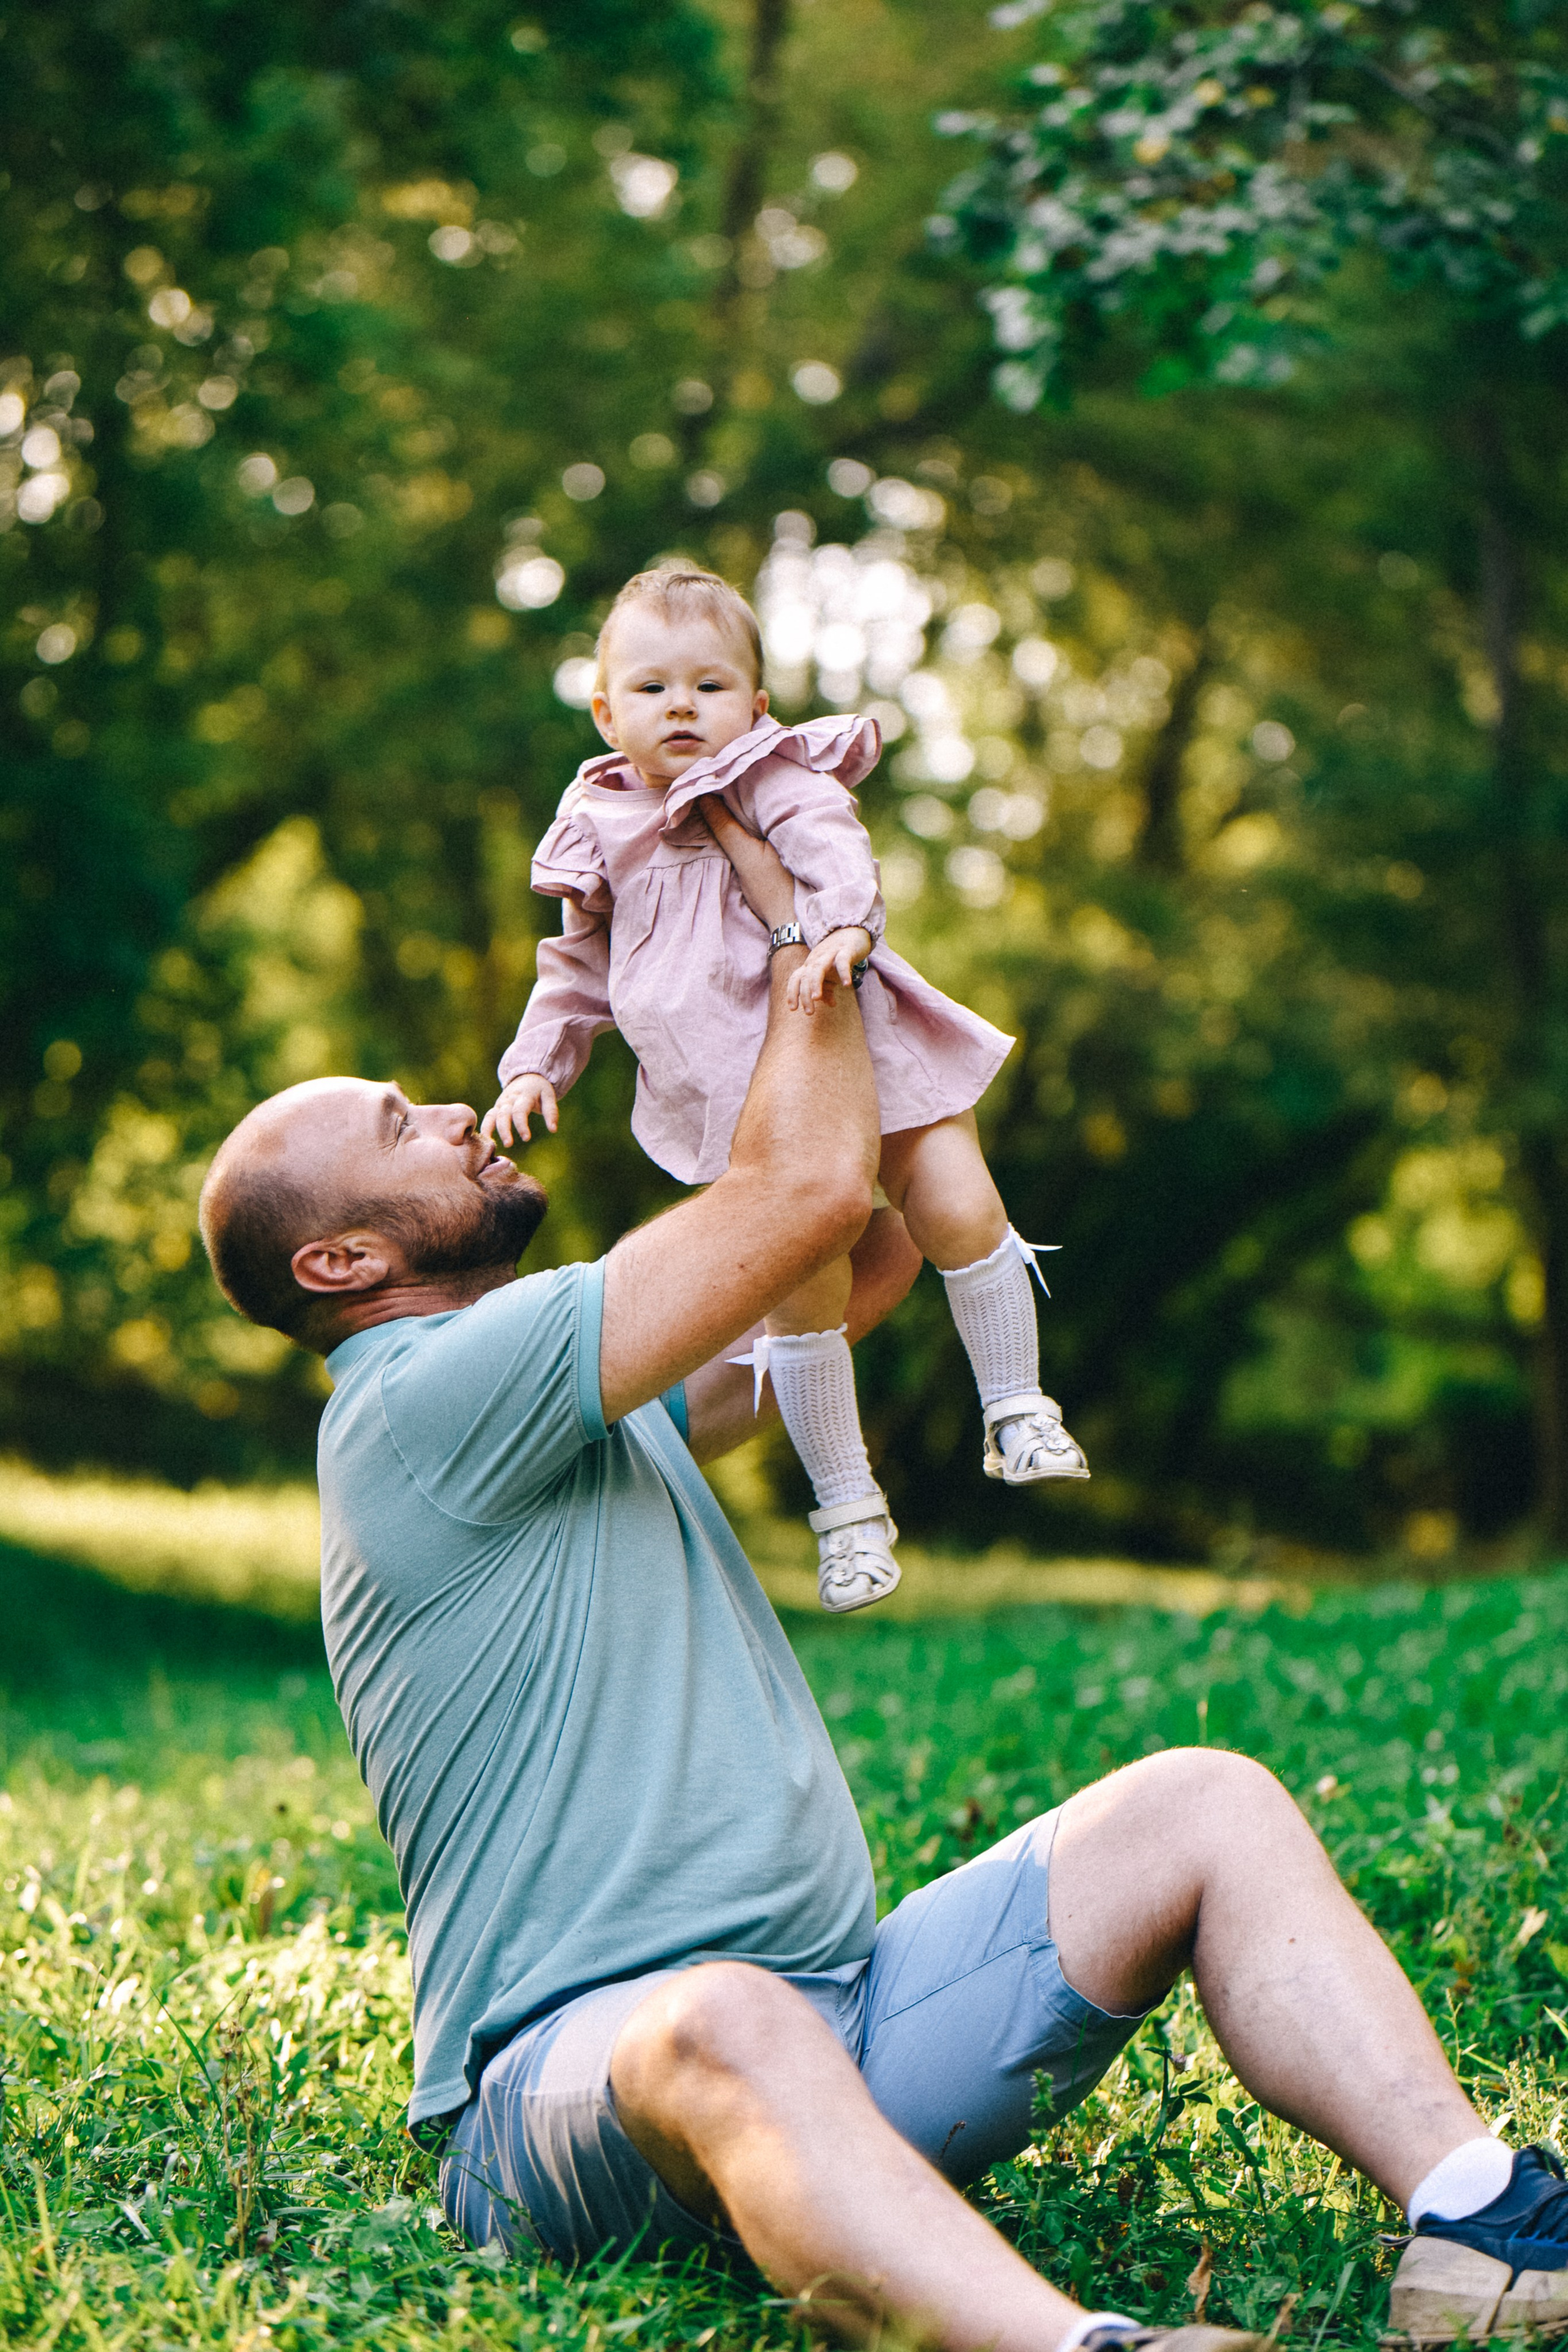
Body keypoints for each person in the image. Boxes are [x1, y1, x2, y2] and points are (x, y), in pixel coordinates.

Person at [198, 948, 1567, 2352]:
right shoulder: (424, 1396)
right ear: (344, 1262)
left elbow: (843, 1274)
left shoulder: (566, 1409)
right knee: (723, 2017)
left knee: (1203, 1804)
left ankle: (1482, 2224)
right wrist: (806, 951)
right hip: (564, 2104)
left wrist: (816, 1029)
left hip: (841, 2034)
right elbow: (789, 1201)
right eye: (398, 1123)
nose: (452, 1115)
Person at [480, 565, 1089, 1618]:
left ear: (755, 706)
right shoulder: (599, 825)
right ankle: (848, 1513)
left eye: (711, 687)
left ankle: (1017, 1404)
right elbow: (574, 969)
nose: (683, 708)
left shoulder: (767, 774)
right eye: (655, 687)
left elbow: (831, 844)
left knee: (954, 1204)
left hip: (867, 1047)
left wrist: (847, 924)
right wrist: (535, 1065)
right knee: (800, 1304)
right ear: (604, 707)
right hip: (744, 1102)